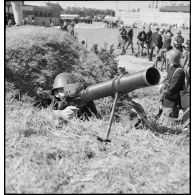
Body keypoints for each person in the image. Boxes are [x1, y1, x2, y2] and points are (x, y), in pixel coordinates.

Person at [158, 48, 185, 127]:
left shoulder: (179, 71)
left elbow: (172, 90)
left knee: (167, 123)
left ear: (172, 59)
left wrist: (163, 90)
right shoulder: (171, 68)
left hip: (172, 101)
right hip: (167, 99)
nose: (167, 61)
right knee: (162, 120)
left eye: (168, 59)